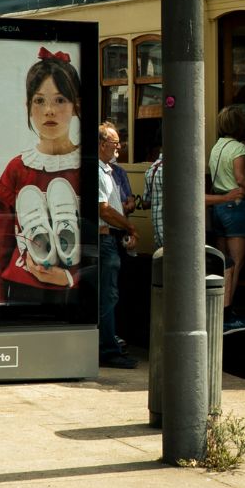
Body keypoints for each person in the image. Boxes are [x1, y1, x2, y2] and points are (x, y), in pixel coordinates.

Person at [0, 48, 85, 306]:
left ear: (76, 106)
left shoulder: (86, 167)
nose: (49, 110)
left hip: (73, 295)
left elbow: (101, 246)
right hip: (23, 291)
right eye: (39, 101)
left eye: (60, 100)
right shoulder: (18, 168)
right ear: (28, 107)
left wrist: (70, 278)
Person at [142, 147, 244, 249]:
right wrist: (226, 197)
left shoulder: (151, 170)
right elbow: (196, 199)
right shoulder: (176, 170)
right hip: (177, 237)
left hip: (160, 238)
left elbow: (146, 203)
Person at [208, 105, 245, 328]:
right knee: (236, 263)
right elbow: (241, 178)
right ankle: (228, 312)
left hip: (218, 207)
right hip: (235, 206)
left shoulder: (217, 147)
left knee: (222, 262)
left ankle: (217, 309)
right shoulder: (240, 149)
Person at [96, 122, 137, 368]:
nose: (118, 147)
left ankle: (109, 345)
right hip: (104, 239)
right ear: (102, 145)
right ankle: (108, 350)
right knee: (108, 296)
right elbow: (105, 210)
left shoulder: (108, 170)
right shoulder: (99, 172)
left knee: (109, 295)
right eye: (114, 143)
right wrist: (130, 227)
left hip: (111, 238)